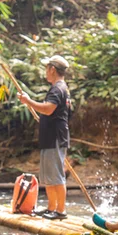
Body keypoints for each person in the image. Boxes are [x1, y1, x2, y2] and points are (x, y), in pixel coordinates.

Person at [18, 55, 72, 220]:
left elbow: (48, 109)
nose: (45, 72)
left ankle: (60, 211)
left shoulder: (58, 89)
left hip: (55, 137)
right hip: (50, 137)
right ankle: (51, 208)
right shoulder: (59, 88)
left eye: (46, 68)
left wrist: (29, 102)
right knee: (48, 175)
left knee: (56, 175)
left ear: (52, 69)